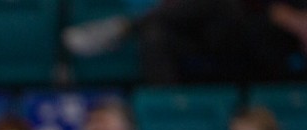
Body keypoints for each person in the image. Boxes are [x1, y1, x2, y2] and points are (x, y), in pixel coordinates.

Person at [62, 0, 307, 84]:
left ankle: (125, 28)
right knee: (155, 34)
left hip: (266, 53)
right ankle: (167, 108)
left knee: (223, 3)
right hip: (222, 35)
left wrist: (286, 16)